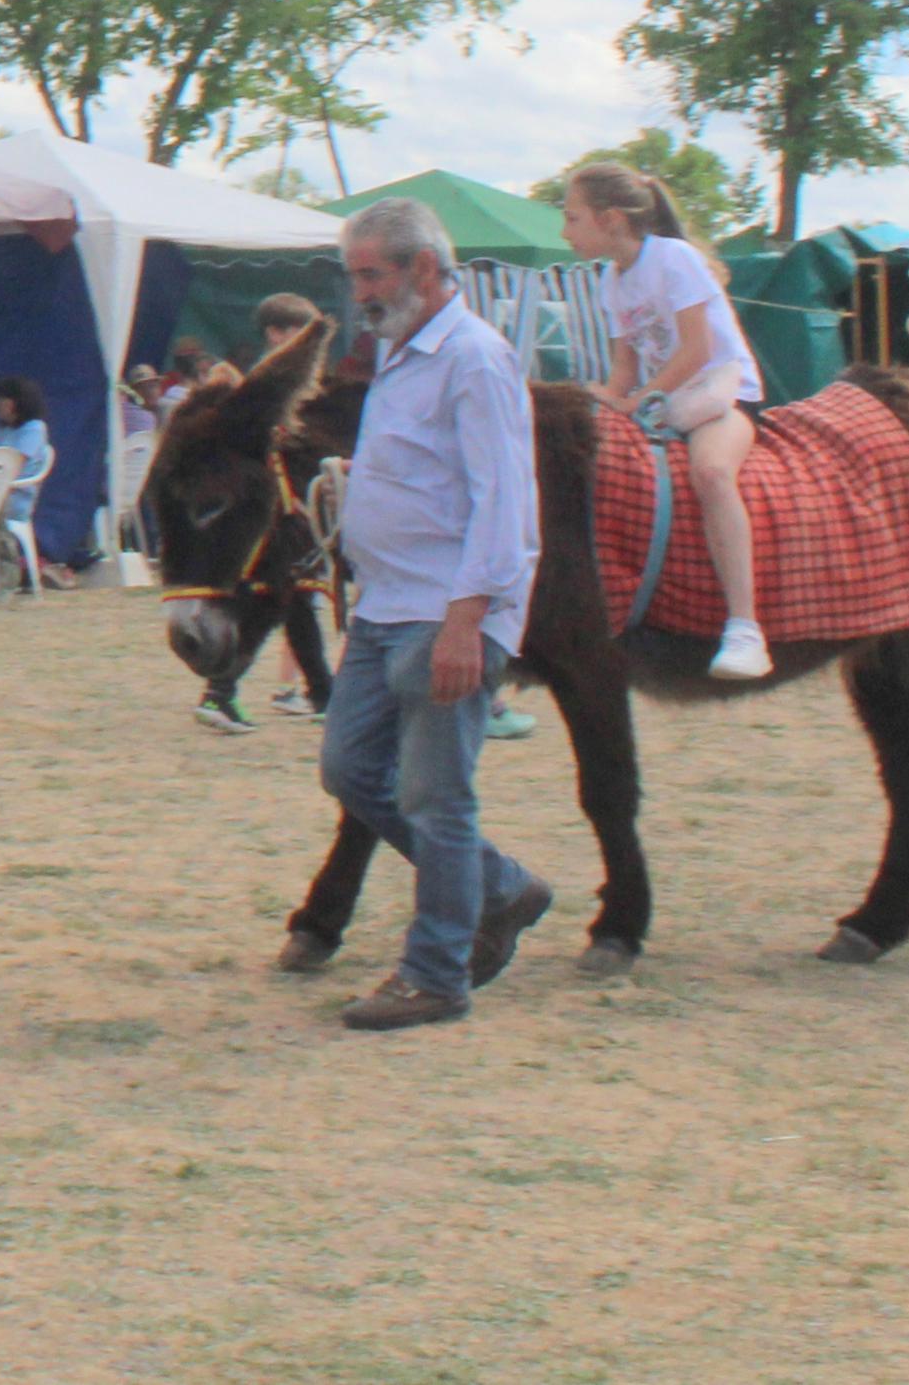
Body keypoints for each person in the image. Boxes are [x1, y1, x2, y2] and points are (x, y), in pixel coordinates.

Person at [321, 197, 552, 1031]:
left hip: (442, 609)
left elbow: (504, 501)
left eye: (370, 273)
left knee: (434, 797)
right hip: (389, 603)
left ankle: (435, 973)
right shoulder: (400, 349)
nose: (360, 293)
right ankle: (495, 886)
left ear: (423, 267)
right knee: (349, 770)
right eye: (354, 275)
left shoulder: (473, 358)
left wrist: (467, 621)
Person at [564, 161, 772, 680]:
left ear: (610, 219)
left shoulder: (674, 259)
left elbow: (699, 351)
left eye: (572, 219)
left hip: (724, 394)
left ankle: (746, 629)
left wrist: (637, 400)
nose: (564, 232)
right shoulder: (611, 281)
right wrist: (598, 398)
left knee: (711, 473)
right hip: (667, 402)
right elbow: (622, 370)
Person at [192, 294, 347, 735]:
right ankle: (221, 693)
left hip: (283, 511)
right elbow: (269, 452)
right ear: (277, 334)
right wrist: (292, 499)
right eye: (300, 334)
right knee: (273, 601)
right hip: (275, 514)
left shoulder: (283, 381)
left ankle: (322, 696)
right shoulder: (270, 386)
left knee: (293, 601)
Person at [0, 375, 61, 587]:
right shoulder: (1, 430)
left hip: (14, 498)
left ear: (18, 402)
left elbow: (12, 466)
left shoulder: (34, 429)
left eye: (3, 399)